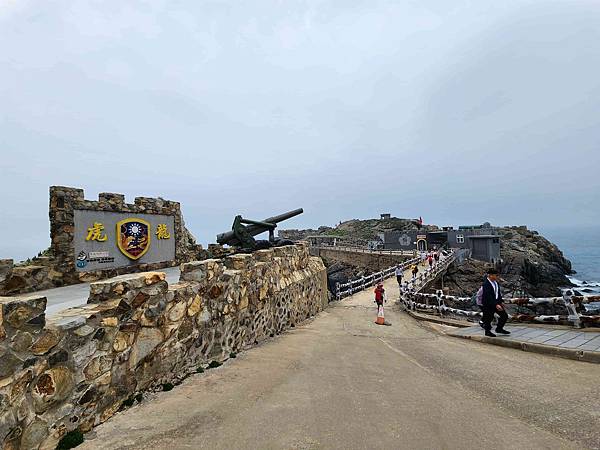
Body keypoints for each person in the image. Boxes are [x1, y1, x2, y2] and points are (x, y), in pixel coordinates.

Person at [480, 268, 510, 337]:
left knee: (504, 316)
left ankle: (499, 328)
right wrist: (496, 304)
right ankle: (487, 332)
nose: (497, 276)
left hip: (496, 303)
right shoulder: (486, 284)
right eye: (495, 275)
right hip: (488, 304)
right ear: (490, 275)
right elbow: (488, 296)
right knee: (489, 318)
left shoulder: (496, 283)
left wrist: (500, 302)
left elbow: (498, 293)